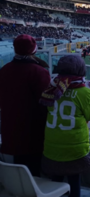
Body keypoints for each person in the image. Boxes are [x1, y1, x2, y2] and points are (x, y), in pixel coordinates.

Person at [40, 55, 90, 197]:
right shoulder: (84, 92)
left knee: (56, 181)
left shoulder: (51, 89)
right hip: (75, 151)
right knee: (74, 181)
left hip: (51, 149)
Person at [0, 34, 51, 176]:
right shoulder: (39, 72)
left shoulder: (4, 70)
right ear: (34, 50)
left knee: (17, 178)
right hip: (32, 136)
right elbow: (45, 104)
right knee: (33, 177)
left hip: (9, 133)